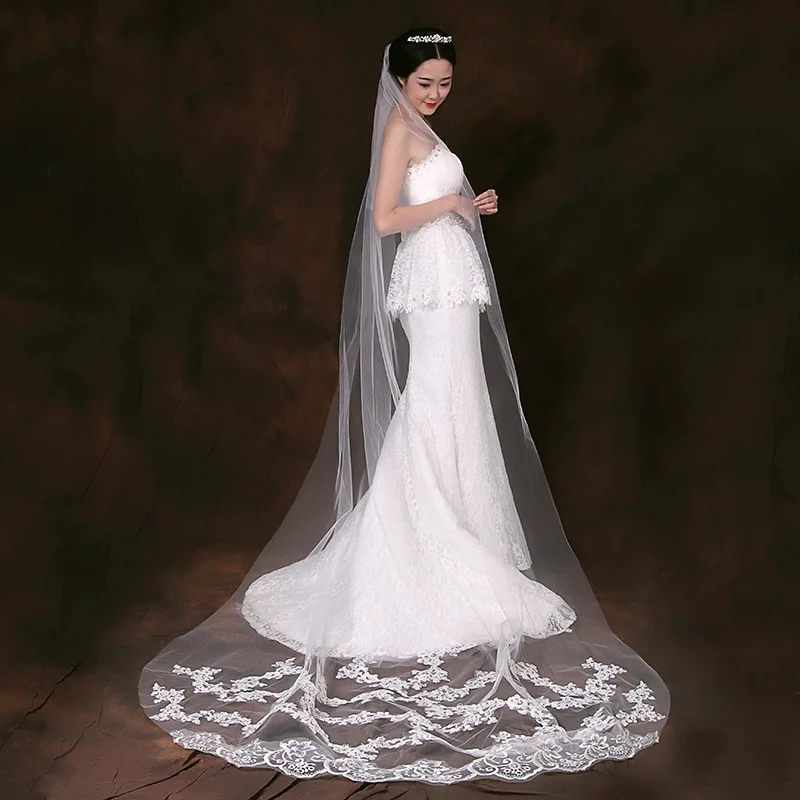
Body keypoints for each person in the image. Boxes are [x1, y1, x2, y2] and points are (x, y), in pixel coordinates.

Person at [139, 27, 669, 785]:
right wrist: (449, 202)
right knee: (433, 400)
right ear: (398, 80)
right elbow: (386, 219)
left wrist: (469, 205)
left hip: (450, 282)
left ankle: (457, 527)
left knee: (457, 403)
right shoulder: (398, 130)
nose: (436, 94)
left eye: (446, 83)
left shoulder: (425, 130)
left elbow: (432, 205)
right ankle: (417, 544)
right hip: (430, 288)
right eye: (425, 83)